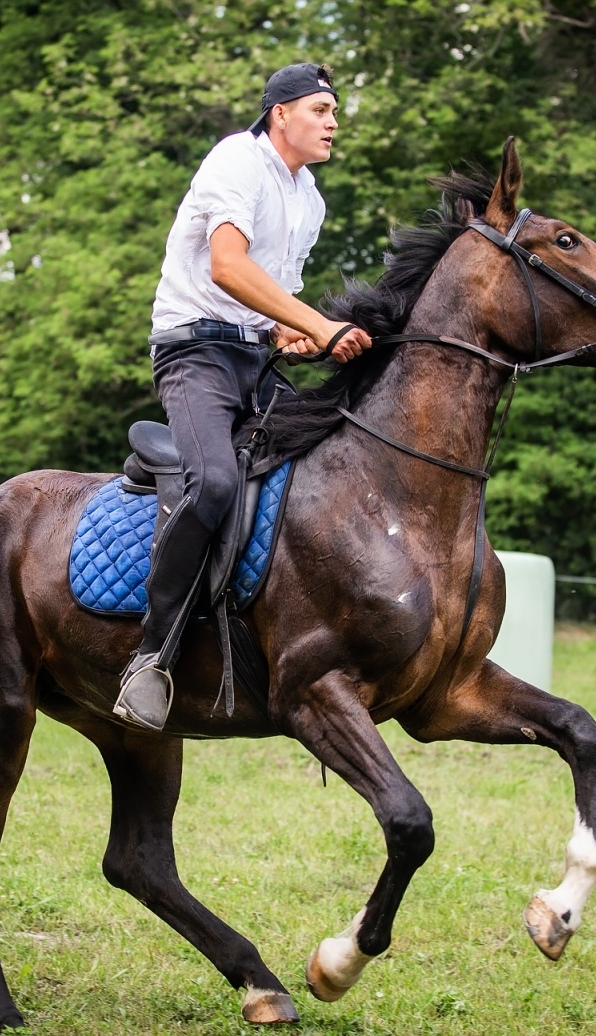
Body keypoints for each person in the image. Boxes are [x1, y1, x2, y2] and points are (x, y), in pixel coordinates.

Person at [113, 62, 372, 731]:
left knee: (330, 464)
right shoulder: (237, 159)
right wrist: (320, 324)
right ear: (280, 113)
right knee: (215, 484)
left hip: (253, 359)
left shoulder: (309, 197)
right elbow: (228, 267)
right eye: (321, 110)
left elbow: (266, 300)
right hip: (194, 355)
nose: (333, 123)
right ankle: (150, 659)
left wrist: (291, 331)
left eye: (335, 113)